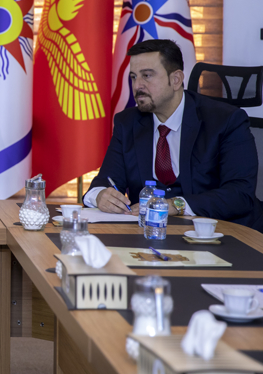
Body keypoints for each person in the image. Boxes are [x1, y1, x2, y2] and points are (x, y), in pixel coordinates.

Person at [85, 39, 263, 231]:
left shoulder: (226, 120)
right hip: (152, 234)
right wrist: (100, 195)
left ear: (176, 80)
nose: (137, 86)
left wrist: (176, 205)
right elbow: (105, 182)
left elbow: (239, 194)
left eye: (147, 75)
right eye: (134, 77)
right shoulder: (127, 123)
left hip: (223, 233)